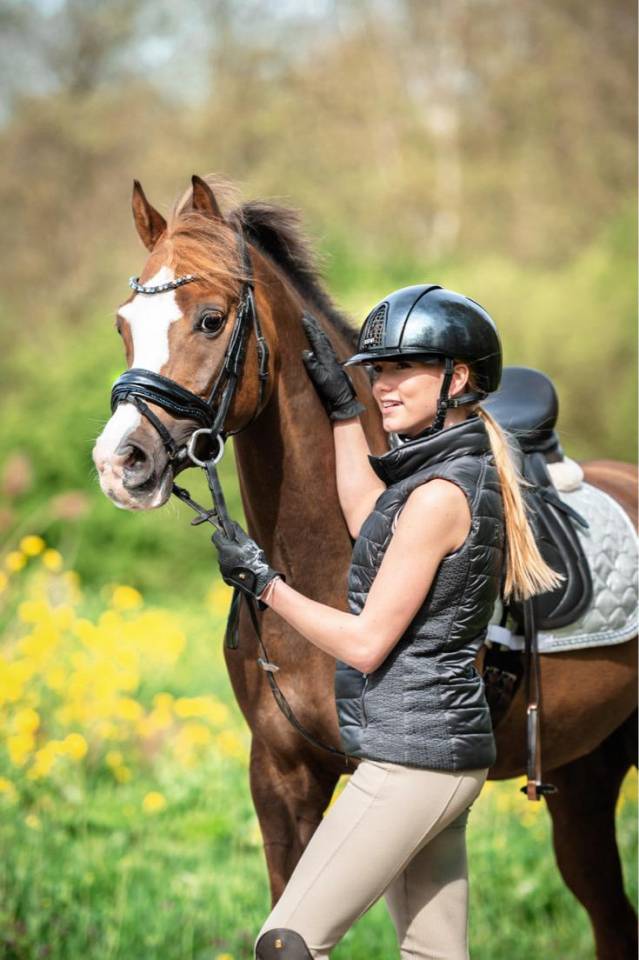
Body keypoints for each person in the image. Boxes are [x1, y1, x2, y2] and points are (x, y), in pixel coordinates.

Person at [211, 285, 562, 960]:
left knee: (286, 943)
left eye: (403, 368)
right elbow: (366, 516)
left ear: (457, 378)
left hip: (410, 764)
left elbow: (366, 643)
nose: (382, 385)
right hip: (435, 755)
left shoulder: (437, 495)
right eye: (376, 371)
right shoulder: (446, 473)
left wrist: (264, 584)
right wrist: (345, 414)